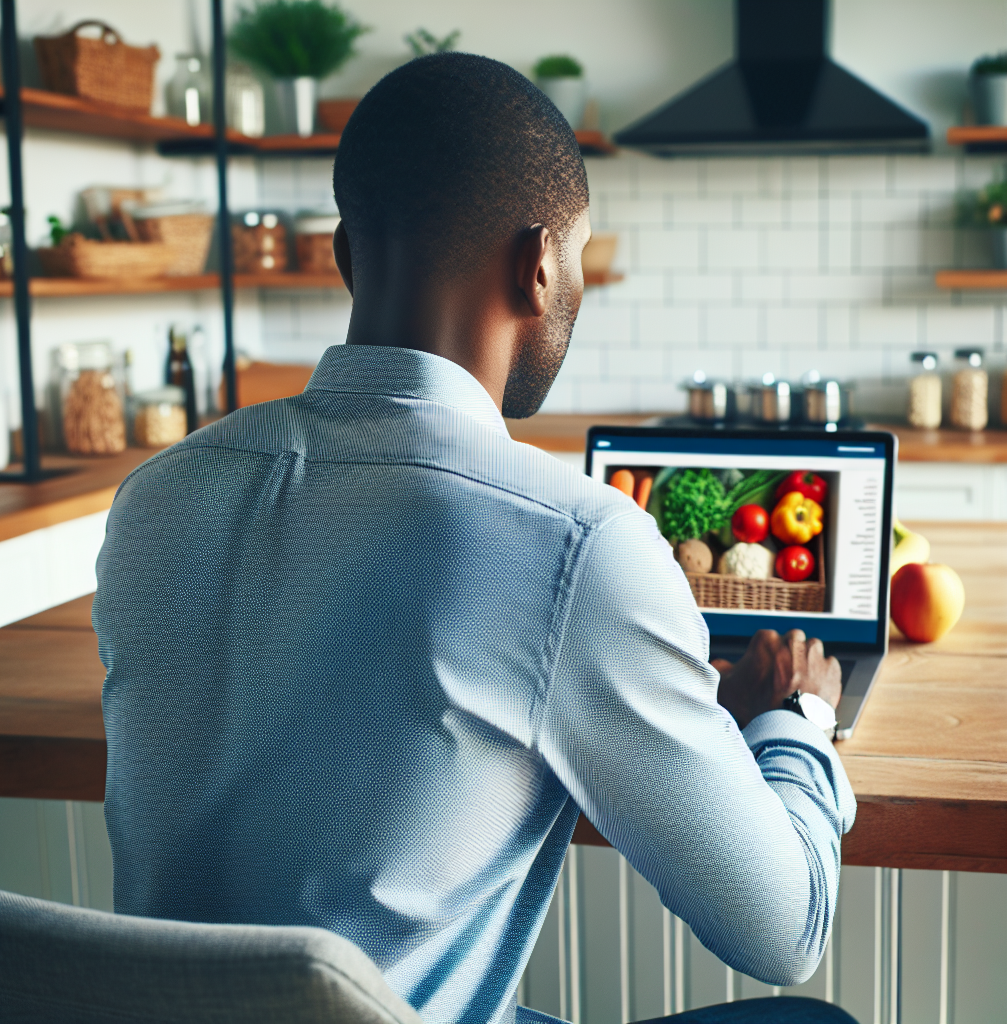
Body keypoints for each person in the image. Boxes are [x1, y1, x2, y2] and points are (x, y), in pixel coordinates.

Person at [93, 54, 857, 1024]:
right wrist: (793, 726)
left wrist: (691, 711)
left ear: (342, 258)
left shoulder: (154, 500)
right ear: (538, 264)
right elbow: (783, 929)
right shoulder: (574, 541)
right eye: (577, 258)